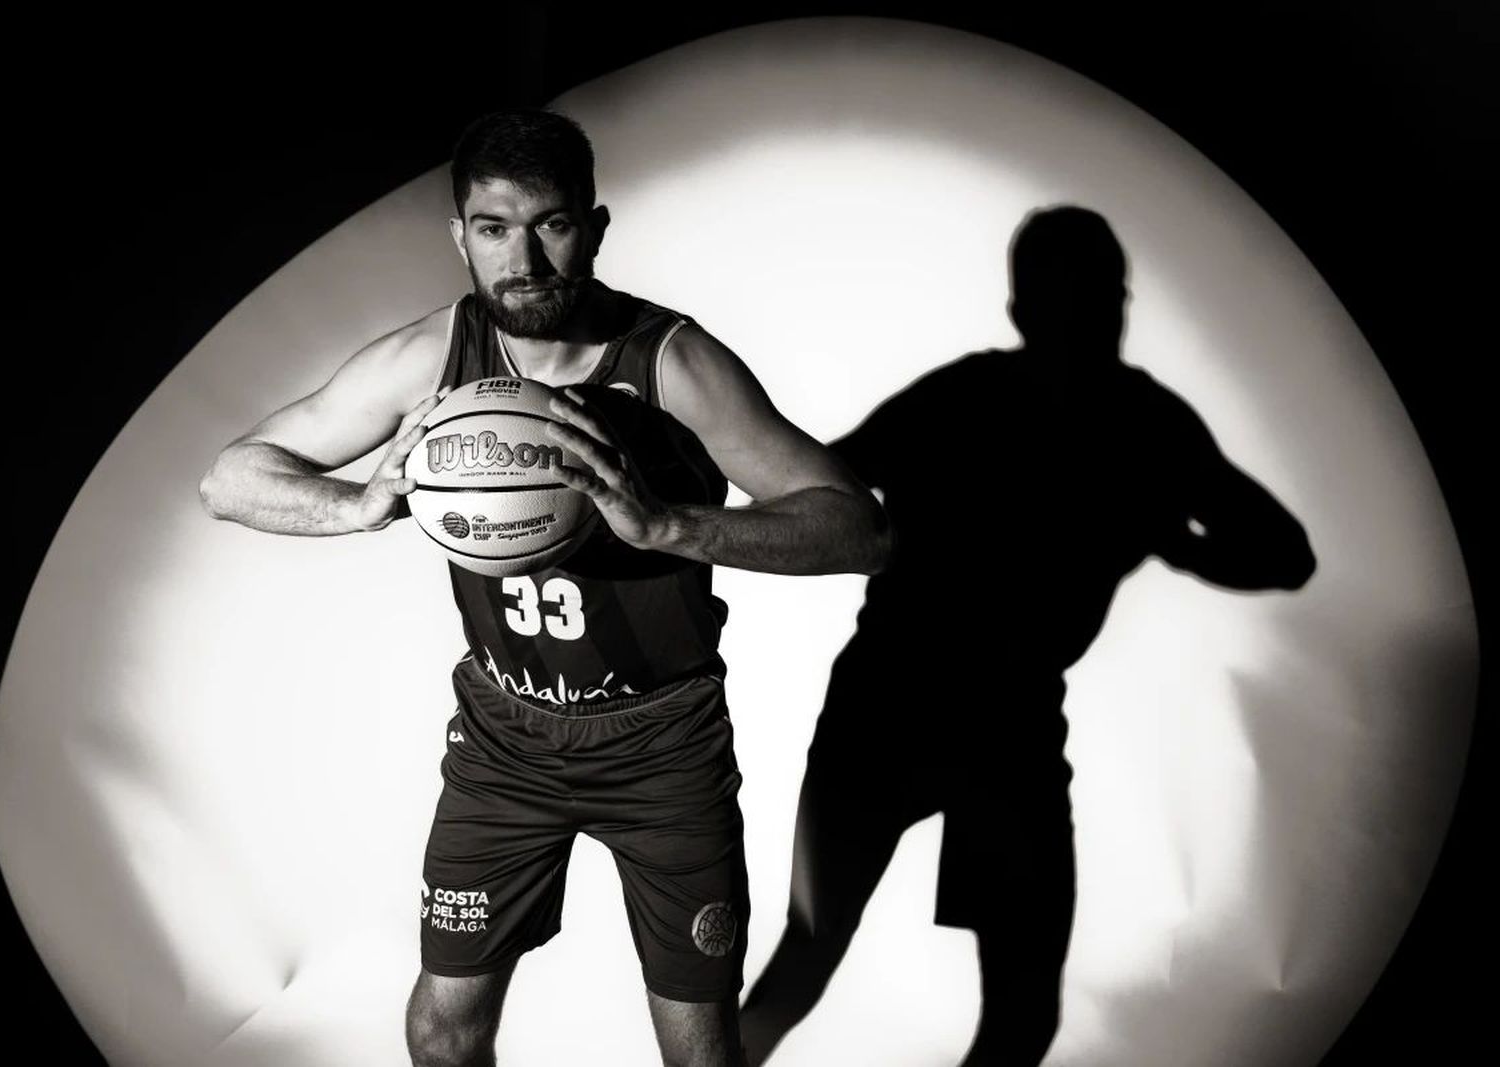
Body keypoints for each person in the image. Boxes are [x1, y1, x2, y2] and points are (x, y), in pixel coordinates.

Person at [198, 107, 890, 1067]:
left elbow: (860, 529)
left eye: (551, 224)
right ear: (461, 238)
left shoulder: (670, 363)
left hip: (663, 742)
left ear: (594, 228)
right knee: (442, 1031)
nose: (523, 258)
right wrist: (359, 504)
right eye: (493, 229)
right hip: (504, 739)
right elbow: (230, 477)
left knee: (701, 1051)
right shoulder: (432, 359)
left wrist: (672, 525)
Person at [737, 206, 1317, 1066]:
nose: (1094, 317)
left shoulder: (1147, 424)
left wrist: (1174, 539)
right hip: (892, 703)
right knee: (815, 948)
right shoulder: (974, 396)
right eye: (1074, 298)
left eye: (1105, 297)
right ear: (1024, 313)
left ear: (1121, 304)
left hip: (1004, 724)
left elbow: (1286, 553)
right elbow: (820, 480)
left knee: (1013, 1008)